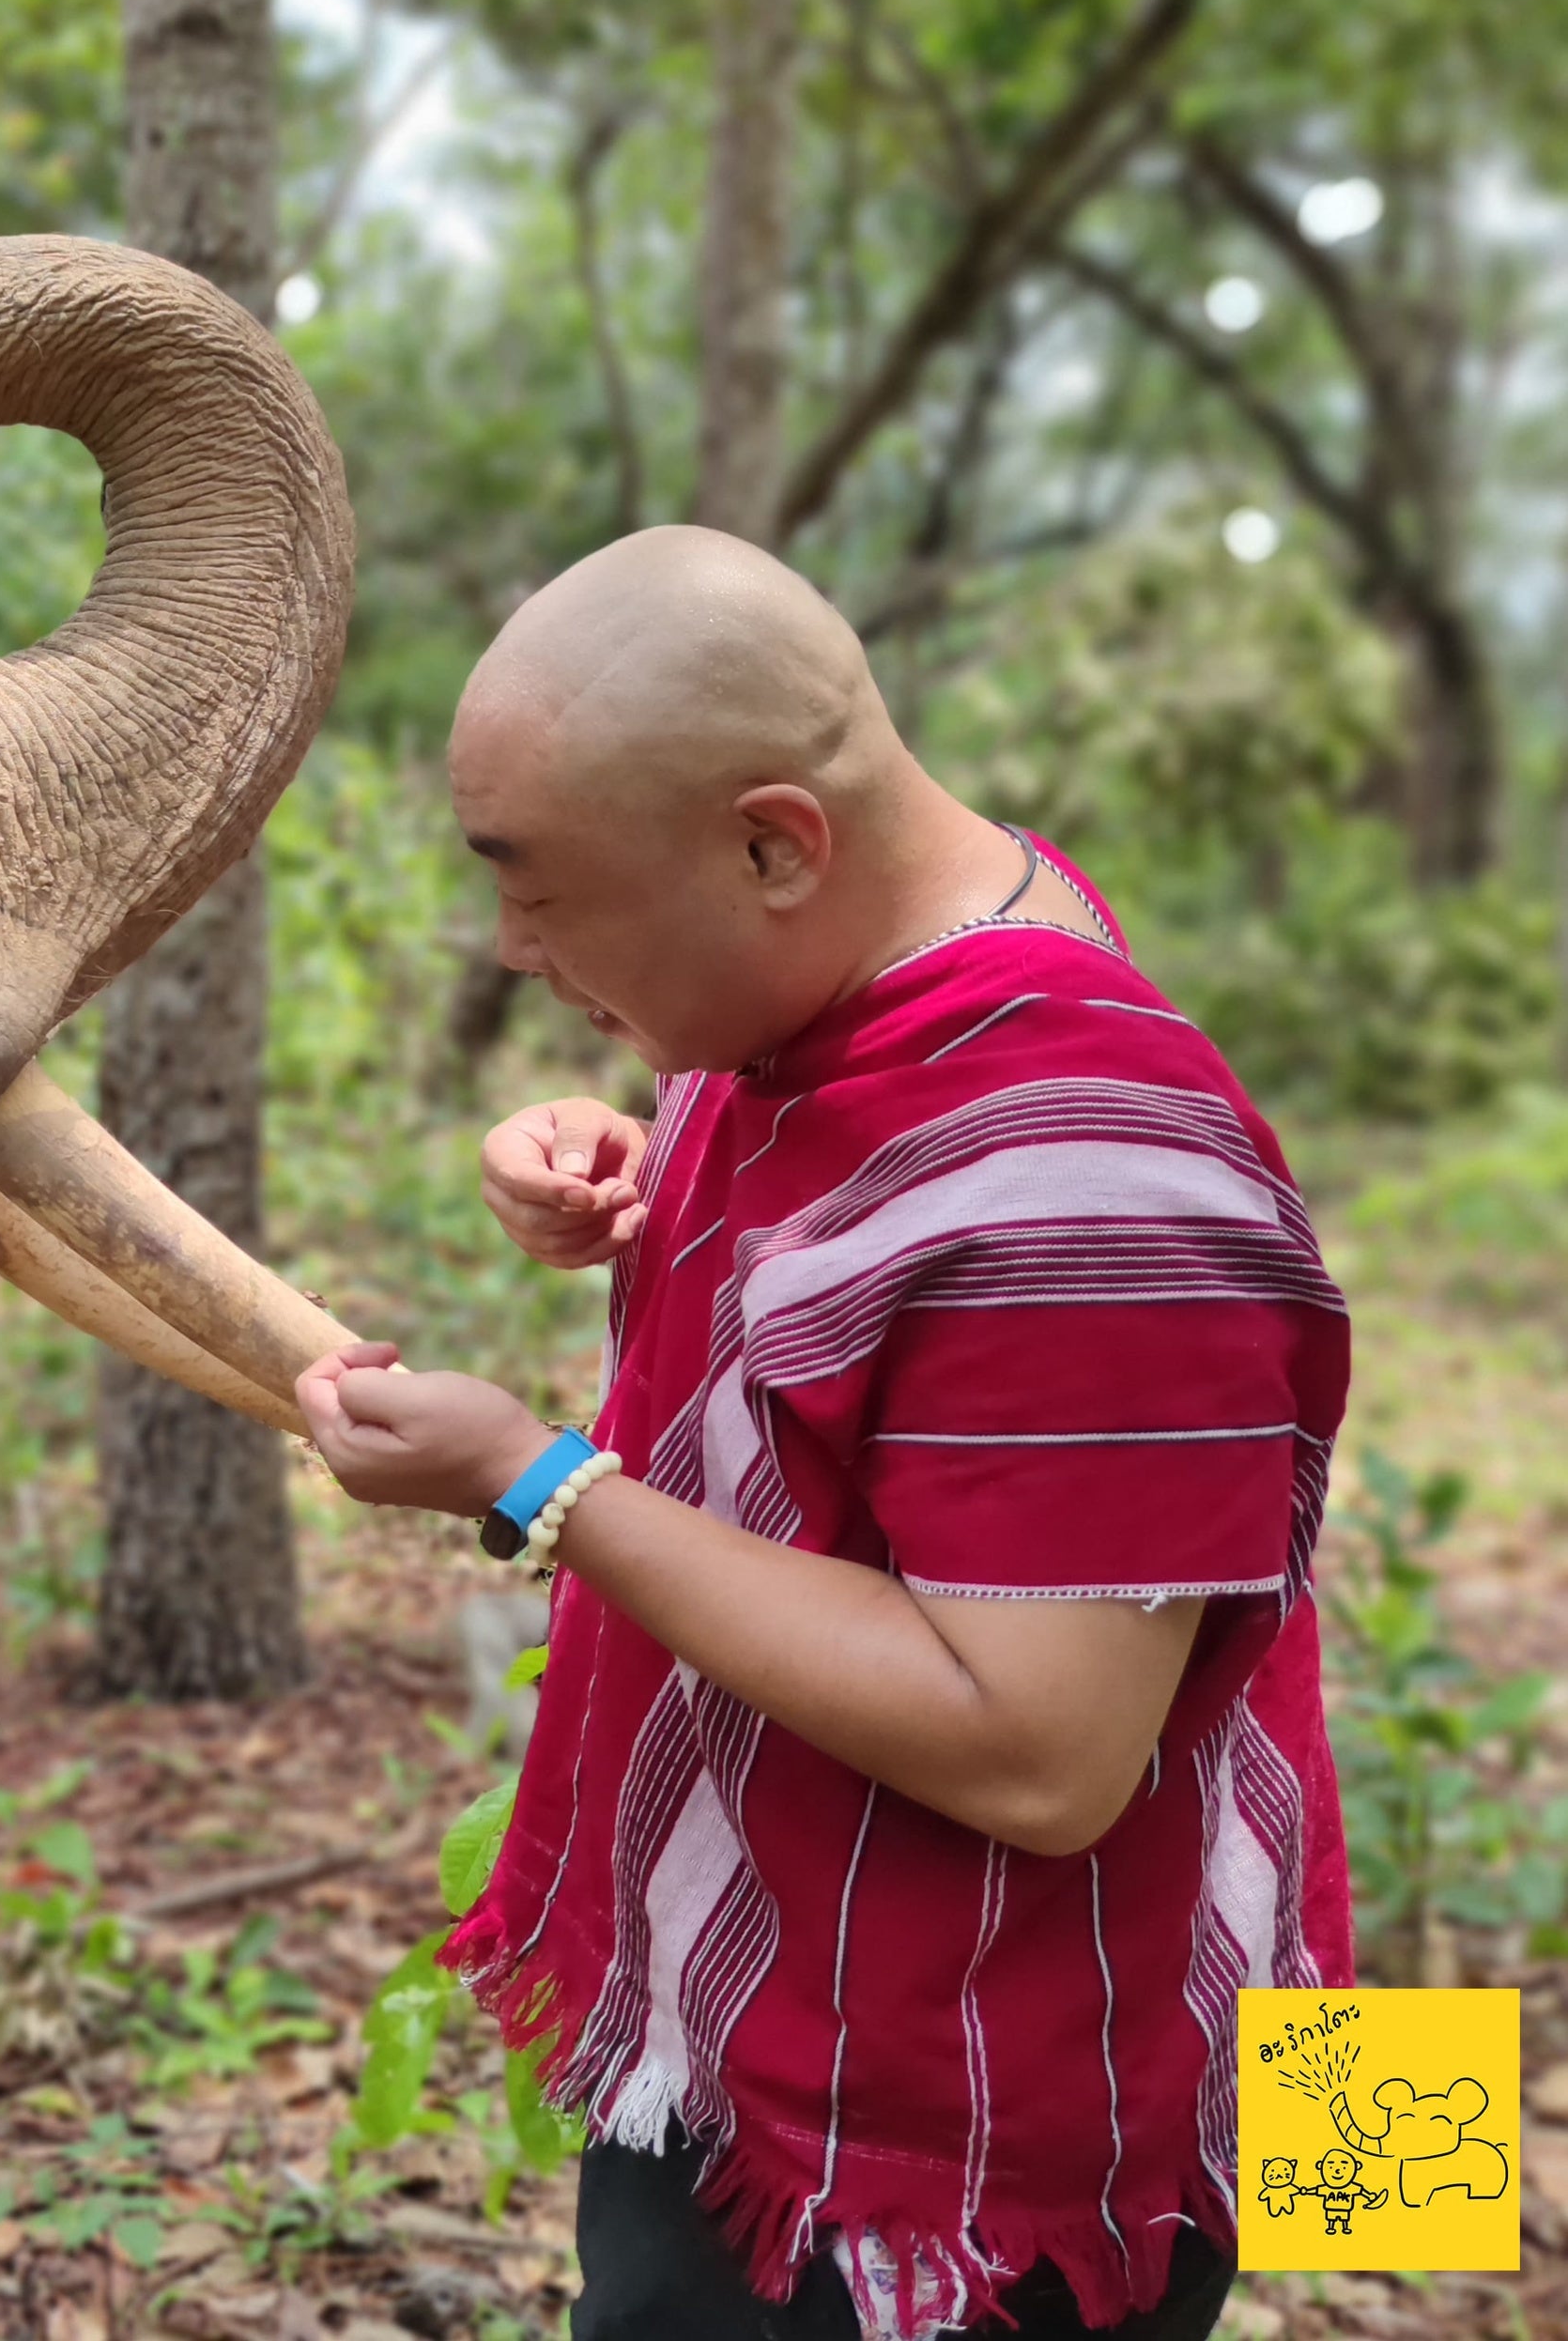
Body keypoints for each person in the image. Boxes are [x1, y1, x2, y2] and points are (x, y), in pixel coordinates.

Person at [297, 528, 1351, 2341]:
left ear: (779, 842)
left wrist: (532, 1480)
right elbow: (867, 1320)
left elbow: (1045, 1756)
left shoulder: (1102, 1176)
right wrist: (616, 1152)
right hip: (795, 2001)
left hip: (952, 2166)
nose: (512, 948)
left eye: (539, 890)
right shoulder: (922, 954)